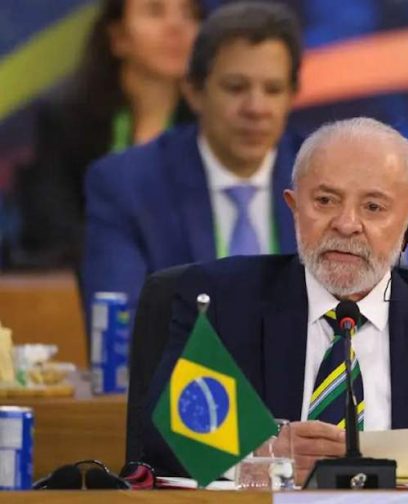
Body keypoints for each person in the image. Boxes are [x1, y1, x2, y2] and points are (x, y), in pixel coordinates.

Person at [141, 117, 408, 484]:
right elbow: (164, 443)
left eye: (373, 207)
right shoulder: (223, 304)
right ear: (294, 207)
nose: (346, 224)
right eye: (325, 201)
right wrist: (263, 456)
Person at [82, 1, 303, 322]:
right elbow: (122, 325)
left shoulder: (326, 184)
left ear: (292, 97)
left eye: (273, 90)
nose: (256, 108)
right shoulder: (127, 186)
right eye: (236, 87)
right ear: (194, 91)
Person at [15, 0, 206, 269]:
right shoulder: (68, 118)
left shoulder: (212, 123)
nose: (176, 26)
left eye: (190, 14)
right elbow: (51, 227)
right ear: (118, 37)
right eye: (155, 12)